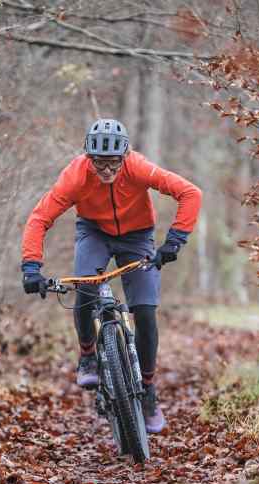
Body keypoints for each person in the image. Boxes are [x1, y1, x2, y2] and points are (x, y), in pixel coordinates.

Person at [20, 118, 202, 433]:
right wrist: (31, 266)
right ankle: (88, 354)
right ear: (88, 158)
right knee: (86, 289)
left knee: (145, 311)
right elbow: (39, 218)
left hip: (138, 236)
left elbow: (190, 193)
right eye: (99, 163)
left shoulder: (138, 167)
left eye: (113, 163)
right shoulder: (75, 175)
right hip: (94, 233)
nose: (106, 171)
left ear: (125, 156)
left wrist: (174, 242)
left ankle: (147, 390)